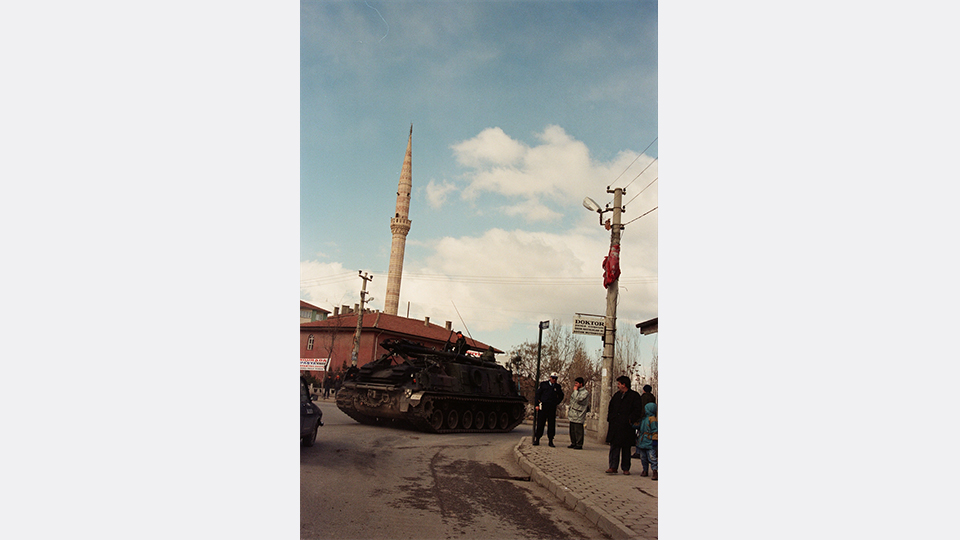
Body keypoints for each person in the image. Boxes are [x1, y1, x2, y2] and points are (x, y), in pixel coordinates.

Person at [605, 375, 643, 475]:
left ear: (624, 385)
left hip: (626, 427)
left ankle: (626, 468)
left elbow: (637, 410)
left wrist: (630, 420)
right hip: (615, 426)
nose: (617, 386)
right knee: (614, 447)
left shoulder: (634, 396)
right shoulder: (617, 396)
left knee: (626, 448)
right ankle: (613, 466)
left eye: (619, 384)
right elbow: (611, 408)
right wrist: (611, 418)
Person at [534, 372, 564, 447]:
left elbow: (561, 395)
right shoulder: (543, 385)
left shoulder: (557, 387)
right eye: (553, 378)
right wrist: (537, 404)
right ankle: (537, 439)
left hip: (552, 407)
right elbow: (537, 394)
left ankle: (550, 440)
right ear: (550, 378)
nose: (554, 380)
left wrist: (556, 402)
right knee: (540, 423)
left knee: (551, 424)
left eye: (555, 378)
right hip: (543, 406)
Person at [634, 402, 658, 480]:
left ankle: (655, 470)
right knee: (643, 457)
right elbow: (639, 426)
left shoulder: (653, 419)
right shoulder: (644, 419)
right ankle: (645, 470)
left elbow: (655, 430)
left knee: (652, 457)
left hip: (649, 441)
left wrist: (655, 440)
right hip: (642, 440)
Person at [567, 377, 590, 450]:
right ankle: (573, 442)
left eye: (577, 383)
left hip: (579, 413)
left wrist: (575, 391)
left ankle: (579, 443)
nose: (575, 385)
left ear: (581, 384)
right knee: (572, 430)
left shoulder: (585, 393)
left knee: (578, 430)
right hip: (572, 413)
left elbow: (578, 399)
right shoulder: (575, 391)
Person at [633, 384, 656, 457]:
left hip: (643, 418)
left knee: (640, 435)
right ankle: (649, 453)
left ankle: (638, 452)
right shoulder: (653, 397)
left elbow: (640, 407)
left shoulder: (643, 397)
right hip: (651, 417)